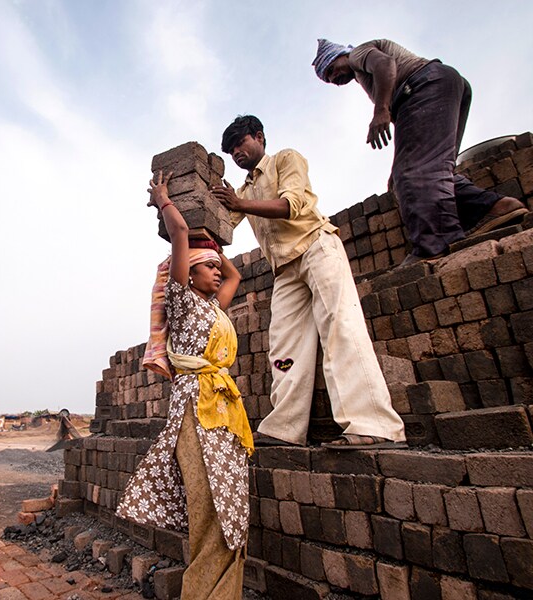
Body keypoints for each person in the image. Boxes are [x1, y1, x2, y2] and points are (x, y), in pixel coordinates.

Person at [211, 115, 407, 450]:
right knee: (283, 346)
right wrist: (176, 207)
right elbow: (221, 230)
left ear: (259, 137)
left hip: (316, 247)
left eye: (240, 144)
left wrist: (239, 203)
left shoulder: (287, 159)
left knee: (339, 326)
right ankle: (285, 428)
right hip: (285, 269)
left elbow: (291, 206)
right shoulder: (242, 191)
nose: (236, 154)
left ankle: (375, 425)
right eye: (230, 151)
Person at [117, 171, 252, 599]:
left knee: (232, 510)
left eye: (215, 268)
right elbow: (177, 233)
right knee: (208, 508)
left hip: (226, 415)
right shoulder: (183, 303)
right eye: (207, 268)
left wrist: (214, 246)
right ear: (188, 275)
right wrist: (164, 200)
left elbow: (234, 279)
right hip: (196, 411)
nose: (216, 273)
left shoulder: (214, 311)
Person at [312, 38, 527, 265]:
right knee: (431, 170)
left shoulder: (358, 54)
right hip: (443, 85)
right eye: (329, 79)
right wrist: (397, 171)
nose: (334, 79)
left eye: (332, 70)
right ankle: (496, 208)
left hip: (425, 86)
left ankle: (435, 243)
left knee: (415, 172)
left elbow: (385, 64)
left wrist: (381, 110)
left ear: (340, 55)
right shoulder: (363, 75)